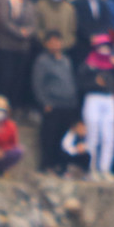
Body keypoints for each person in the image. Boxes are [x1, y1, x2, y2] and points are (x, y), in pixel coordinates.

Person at [32, 31, 79, 173]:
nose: (56, 44)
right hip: (52, 105)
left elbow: (70, 80)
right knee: (49, 137)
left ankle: (62, 166)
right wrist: (44, 102)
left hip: (68, 105)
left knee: (64, 137)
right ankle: (47, 165)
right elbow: (37, 83)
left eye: (58, 41)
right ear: (46, 44)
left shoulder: (66, 60)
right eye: (52, 41)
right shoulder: (42, 61)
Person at [78, 34, 114, 181]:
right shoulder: (88, 63)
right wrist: (95, 82)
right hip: (93, 98)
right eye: (101, 47)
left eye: (107, 47)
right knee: (93, 132)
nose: (104, 50)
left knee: (109, 134)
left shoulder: (113, 64)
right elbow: (81, 84)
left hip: (109, 99)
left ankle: (105, 169)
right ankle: (90, 169)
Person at [0, 0, 36, 109]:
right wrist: (19, 32)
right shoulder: (3, 0)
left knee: (18, 79)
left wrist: (28, 32)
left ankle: (14, 107)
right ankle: (1, 106)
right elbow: (4, 21)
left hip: (23, 47)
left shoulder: (29, 4)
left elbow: (33, 23)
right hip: (6, 45)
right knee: (6, 78)